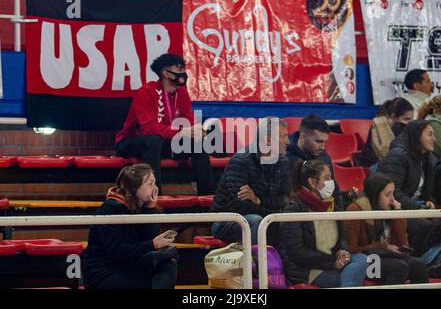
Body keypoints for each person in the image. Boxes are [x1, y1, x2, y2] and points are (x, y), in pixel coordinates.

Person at [115, 53, 215, 195]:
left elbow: (189, 120)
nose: (183, 73)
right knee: (154, 140)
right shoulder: (146, 91)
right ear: (166, 73)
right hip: (131, 141)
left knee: (196, 143)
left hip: (163, 142)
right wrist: (180, 132)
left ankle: (209, 199)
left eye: (183, 69)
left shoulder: (182, 93)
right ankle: (154, 198)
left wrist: (197, 131)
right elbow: (149, 128)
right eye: (178, 69)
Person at [83, 164, 178, 289]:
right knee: (149, 282)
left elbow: (148, 239)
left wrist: (150, 208)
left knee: (168, 263)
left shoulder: (141, 207)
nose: (155, 188)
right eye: (150, 184)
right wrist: (153, 244)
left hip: (128, 265)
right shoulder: (110, 209)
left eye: (155, 183)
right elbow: (118, 252)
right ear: (134, 187)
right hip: (104, 272)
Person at [279, 159, 368, 288]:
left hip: (334, 262)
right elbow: (297, 253)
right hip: (310, 271)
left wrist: (342, 252)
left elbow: (341, 238)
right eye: (327, 178)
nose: (331, 182)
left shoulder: (331, 205)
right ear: (313, 182)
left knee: (362, 259)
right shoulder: (293, 209)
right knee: (352, 277)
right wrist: (332, 261)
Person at [209, 117, 291, 245]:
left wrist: (258, 200)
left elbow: (284, 199)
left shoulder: (284, 161)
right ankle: (253, 263)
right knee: (256, 221)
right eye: (284, 137)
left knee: (291, 220)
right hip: (226, 220)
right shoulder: (241, 161)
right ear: (268, 140)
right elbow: (238, 205)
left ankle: (287, 265)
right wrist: (272, 212)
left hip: (262, 215)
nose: (289, 142)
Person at [344, 173, 429, 285]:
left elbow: (402, 242)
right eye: (387, 195)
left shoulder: (388, 209)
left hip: (386, 256)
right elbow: (352, 249)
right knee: (399, 267)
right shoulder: (355, 210)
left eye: (393, 194)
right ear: (375, 195)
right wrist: (384, 247)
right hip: (364, 260)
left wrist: (398, 215)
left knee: (418, 265)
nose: (392, 199)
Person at [378, 121, 437, 255]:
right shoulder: (398, 156)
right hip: (396, 209)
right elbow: (393, 193)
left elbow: (428, 191)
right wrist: (418, 208)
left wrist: (429, 200)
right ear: (417, 135)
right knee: (426, 226)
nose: (434, 139)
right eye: (430, 134)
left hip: (417, 208)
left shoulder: (428, 159)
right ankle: (420, 261)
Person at [286, 114, 345, 210]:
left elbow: (335, 192)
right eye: (318, 141)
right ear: (303, 137)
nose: (323, 147)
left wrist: (338, 217)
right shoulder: (285, 159)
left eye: (324, 142)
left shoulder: (324, 158)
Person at [357, 97, 414, 168]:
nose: (410, 123)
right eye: (406, 119)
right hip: (371, 166)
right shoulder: (380, 125)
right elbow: (387, 155)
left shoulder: (397, 125)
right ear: (393, 117)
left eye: (412, 119)